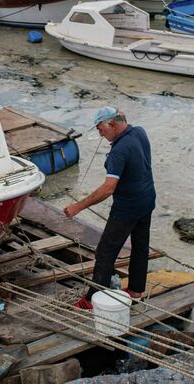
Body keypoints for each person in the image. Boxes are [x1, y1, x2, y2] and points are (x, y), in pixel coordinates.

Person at [63, 107, 156, 309]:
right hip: (147, 200)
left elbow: (108, 189)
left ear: (112, 124)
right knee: (140, 246)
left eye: (101, 129)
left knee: (105, 252)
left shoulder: (119, 151)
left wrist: (78, 207)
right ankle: (136, 290)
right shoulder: (139, 131)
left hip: (127, 208)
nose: (100, 134)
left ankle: (92, 299)